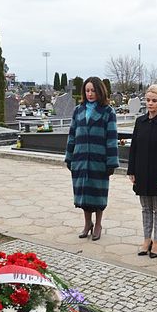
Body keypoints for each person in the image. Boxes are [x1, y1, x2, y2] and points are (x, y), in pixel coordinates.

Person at [65, 77, 119, 241]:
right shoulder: (78, 110)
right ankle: (87, 223)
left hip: (99, 159)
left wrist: (111, 162)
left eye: (93, 90)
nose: (90, 94)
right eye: (87, 90)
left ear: (100, 91)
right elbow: (72, 135)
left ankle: (98, 224)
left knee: (98, 193)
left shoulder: (108, 112)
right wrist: (69, 156)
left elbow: (111, 138)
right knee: (84, 192)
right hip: (80, 158)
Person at [127, 84, 157, 258]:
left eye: (154, 101)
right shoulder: (140, 122)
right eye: (148, 100)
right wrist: (131, 170)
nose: (150, 104)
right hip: (142, 171)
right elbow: (133, 147)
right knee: (145, 208)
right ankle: (146, 239)